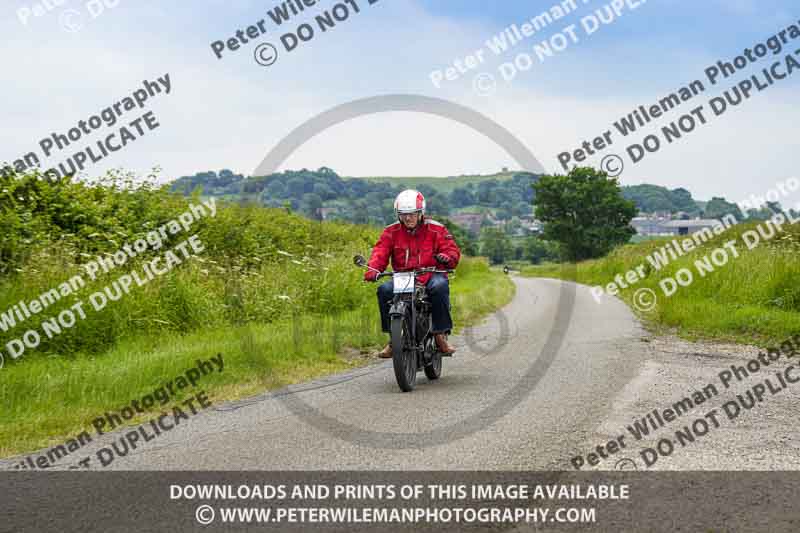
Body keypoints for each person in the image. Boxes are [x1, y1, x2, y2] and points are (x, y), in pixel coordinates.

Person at [364, 189, 461, 358]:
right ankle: (393, 338)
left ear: (420, 213)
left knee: (439, 287)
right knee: (384, 290)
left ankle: (439, 334)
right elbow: (380, 252)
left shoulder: (437, 229)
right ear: (398, 214)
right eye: (403, 214)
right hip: (403, 276)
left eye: (412, 214)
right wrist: (373, 269)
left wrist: (447, 258)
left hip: (431, 273)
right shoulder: (390, 231)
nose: (408, 218)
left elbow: (452, 250)